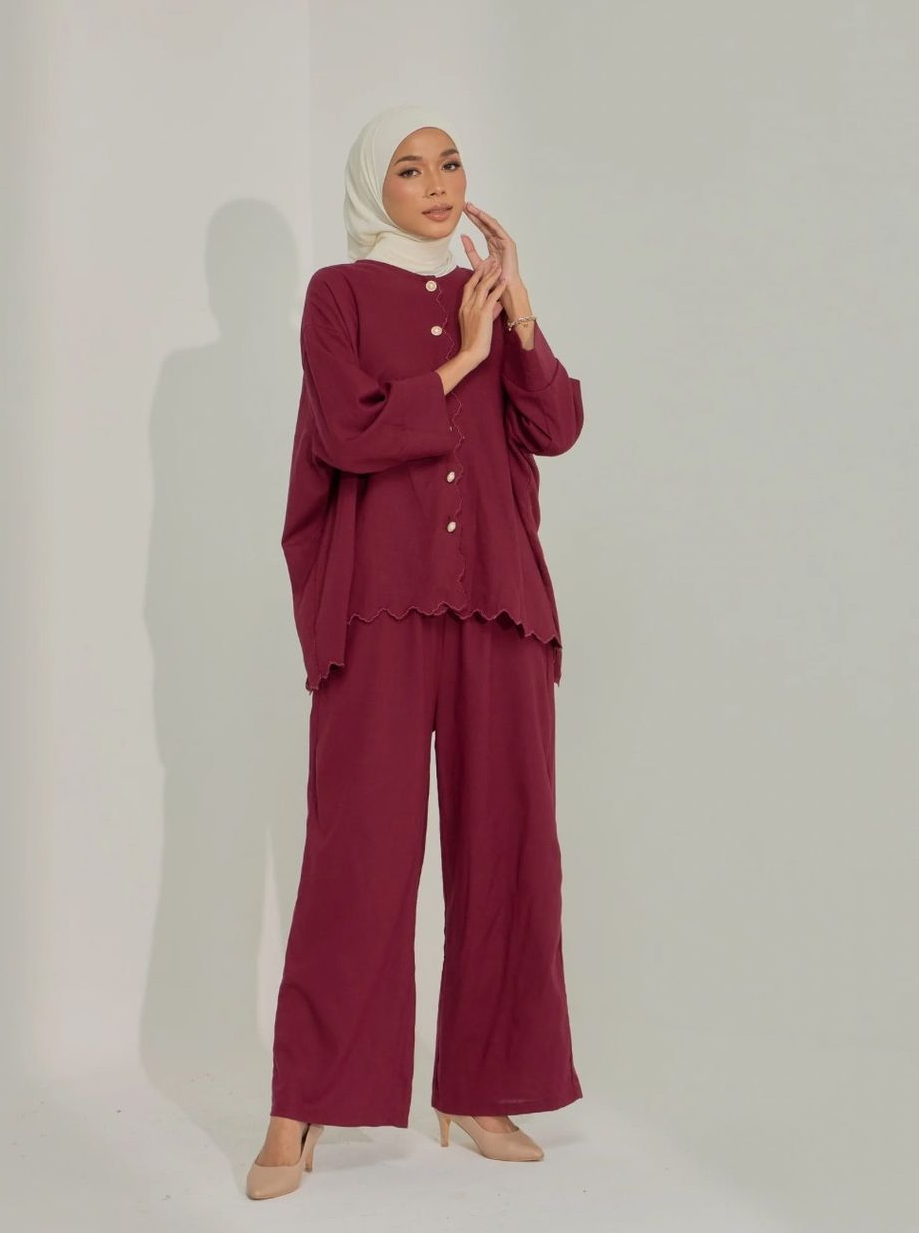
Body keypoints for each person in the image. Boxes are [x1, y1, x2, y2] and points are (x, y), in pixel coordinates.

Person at [246, 104, 585, 1201]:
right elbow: (347, 433)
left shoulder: (489, 294)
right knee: (357, 853)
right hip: (379, 611)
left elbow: (557, 427)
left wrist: (517, 315)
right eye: (408, 169)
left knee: (511, 849)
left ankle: (482, 1088)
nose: (437, 185)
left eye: (449, 163)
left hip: (498, 605)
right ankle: (302, 1103)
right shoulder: (338, 296)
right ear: (372, 188)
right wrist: (460, 363)